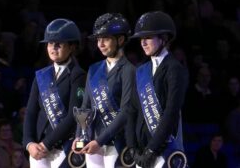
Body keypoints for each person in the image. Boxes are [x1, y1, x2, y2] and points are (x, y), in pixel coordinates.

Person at [71, 13, 136, 168]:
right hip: (92, 142)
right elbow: (85, 107)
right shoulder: (94, 69)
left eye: (105, 39)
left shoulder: (129, 70)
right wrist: (79, 136)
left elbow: (126, 111)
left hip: (117, 143)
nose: (100, 44)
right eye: (98, 40)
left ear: (120, 40)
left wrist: (99, 141)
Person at [128, 11, 189, 168]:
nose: (143, 43)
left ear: (164, 38)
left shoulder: (174, 69)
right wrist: (133, 148)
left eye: (148, 37)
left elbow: (171, 113)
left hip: (164, 152)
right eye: (141, 38)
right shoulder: (141, 70)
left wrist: (151, 150)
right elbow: (132, 110)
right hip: (141, 153)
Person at [23, 18, 86, 168]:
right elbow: (31, 112)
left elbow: (74, 115)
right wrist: (29, 143)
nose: (53, 48)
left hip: (63, 148)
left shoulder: (78, 75)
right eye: (50, 44)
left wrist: (47, 144)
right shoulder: (41, 75)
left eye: (59, 44)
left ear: (71, 46)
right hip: (37, 150)